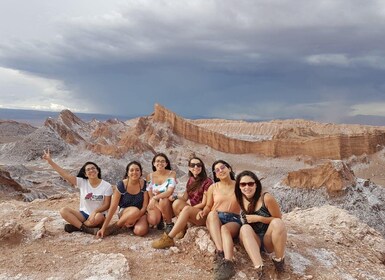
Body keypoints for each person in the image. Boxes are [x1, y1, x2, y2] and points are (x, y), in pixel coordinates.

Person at [42, 149, 112, 234]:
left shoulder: (106, 185)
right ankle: (85, 229)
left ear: (97, 170)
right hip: (84, 215)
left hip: (98, 215)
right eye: (88, 169)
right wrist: (50, 162)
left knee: (99, 217)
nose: (91, 170)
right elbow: (65, 175)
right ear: (85, 174)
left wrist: (95, 211)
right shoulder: (82, 182)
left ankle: (77, 227)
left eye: (93, 168)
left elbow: (107, 205)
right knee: (63, 211)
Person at [235, 170, 287, 279]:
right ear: (239, 186)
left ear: (256, 184)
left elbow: (278, 219)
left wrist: (259, 218)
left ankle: (279, 261)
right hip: (252, 240)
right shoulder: (240, 198)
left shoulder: (266, 198)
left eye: (250, 183)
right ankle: (259, 268)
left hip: (268, 240)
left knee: (278, 223)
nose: (247, 187)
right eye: (243, 184)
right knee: (244, 228)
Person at [151, 156, 213, 249]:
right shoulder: (191, 180)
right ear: (189, 168)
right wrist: (174, 197)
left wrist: (187, 210)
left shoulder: (207, 181)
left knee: (186, 209)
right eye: (193, 165)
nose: (195, 167)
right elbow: (184, 198)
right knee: (177, 203)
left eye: (198, 165)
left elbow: (204, 204)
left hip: (202, 214)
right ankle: (182, 228)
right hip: (193, 212)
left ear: (202, 167)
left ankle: (168, 239)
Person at [196, 160, 241, 280]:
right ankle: (220, 252)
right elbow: (208, 205)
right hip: (216, 217)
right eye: (217, 170)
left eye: (222, 167)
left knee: (225, 229)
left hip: (234, 219)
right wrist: (203, 211)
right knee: (211, 214)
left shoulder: (239, 186)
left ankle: (229, 263)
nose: (220, 171)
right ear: (215, 174)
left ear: (229, 169)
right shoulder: (213, 187)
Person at [96, 161, 149, 238]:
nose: (134, 172)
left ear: (141, 172)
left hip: (141, 213)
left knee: (140, 231)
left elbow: (144, 206)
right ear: (127, 173)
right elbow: (113, 207)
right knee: (134, 211)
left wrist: (136, 217)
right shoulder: (121, 185)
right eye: (131, 170)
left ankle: (128, 225)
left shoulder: (144, 184)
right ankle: (114, 227)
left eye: (137, 170)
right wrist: (104, 227)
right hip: (125, 212)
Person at [146, 153, 177, 234]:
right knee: (153, 220)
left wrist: (155, 198)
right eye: (158, 161)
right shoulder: (150, 176)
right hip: (156, 203)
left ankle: (169, 223)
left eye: (163, 161)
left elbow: (169, 192)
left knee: (164, 199)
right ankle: (160, 219)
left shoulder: (172, 174)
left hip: (169, 203)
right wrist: (160, 208)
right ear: (154, 163)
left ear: (166, 164)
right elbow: (150, 195)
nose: (160, 163)